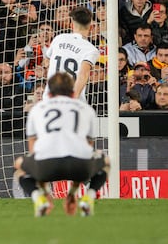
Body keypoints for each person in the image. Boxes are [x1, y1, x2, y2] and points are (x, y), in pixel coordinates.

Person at [14, 72, 109, 217]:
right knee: (106, 161)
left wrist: (46, 192)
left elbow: (34, 152)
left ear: (49, 93)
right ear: (72, 92)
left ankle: (39, 199)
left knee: (20, 166)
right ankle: (88, 198)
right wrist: (72, 193)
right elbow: (87, 149)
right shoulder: (87, 109)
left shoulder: (37, 109)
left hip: (46, 166)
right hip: (80, 167)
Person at [43, 6, 99, 101]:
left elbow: (47, 61)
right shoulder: (91, 49)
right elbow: (83, 74)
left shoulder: (59, 39)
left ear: (71, 25)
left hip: (50, 98)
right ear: (91, 27)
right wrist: (72, 98)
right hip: (74, 103)